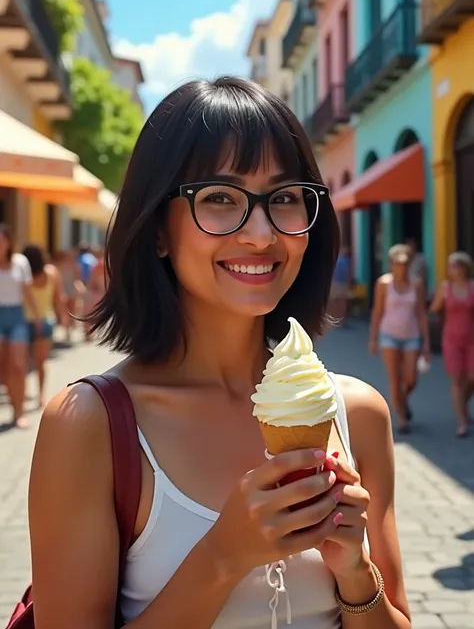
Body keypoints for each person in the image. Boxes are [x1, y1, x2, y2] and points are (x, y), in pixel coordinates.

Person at [29, 78, 410, 629]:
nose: (260, 234)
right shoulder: (91, 425)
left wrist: (355, 573)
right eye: (220, 199)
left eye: (283, 198)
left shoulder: (358, 413)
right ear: (158, 228)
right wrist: (223, 557)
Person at [369, 243, 430, 433]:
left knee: (411, 378)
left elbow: (421, 312)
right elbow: (377, 312)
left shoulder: (416, 284)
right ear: (391, 264)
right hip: (389, 335)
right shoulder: (384, 284)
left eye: (404, 263)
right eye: (397, 263)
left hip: (411, 334)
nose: (401, 267)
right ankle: (402, 417)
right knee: (395, 378)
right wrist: (373, 338)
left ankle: (402, 400)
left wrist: (426, 342)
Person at [0, 224, 41, 428]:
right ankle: (12, 400)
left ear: (8, 241)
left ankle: (20, 411)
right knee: (3, 367)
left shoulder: (20, 262)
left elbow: (27, 291)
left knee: (18, 365)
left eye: (2, 239)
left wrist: (37, 315)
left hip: (16, 315)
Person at [430, 252, 474, 437]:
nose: (450, 270)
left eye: (454, 266)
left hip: (471, 338)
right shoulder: (445, 287)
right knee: (456, 379)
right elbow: (434, 307)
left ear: (464, 268)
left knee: (472, 377)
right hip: (452, 338)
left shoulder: (472, 286)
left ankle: (463, 404)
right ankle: (462, 421)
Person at [23, 245, 67, 408]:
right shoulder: (52, 272)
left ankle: (24, 393)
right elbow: (59, 297)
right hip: (47, 320)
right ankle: (41, 395)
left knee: (22, 362)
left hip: (24, 320)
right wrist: (63, 317)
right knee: (41, 362)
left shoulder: (23, 275)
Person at [54, 249, 85, 342]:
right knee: (65, 309)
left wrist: (79, 287)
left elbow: (78, 277)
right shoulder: (59, 265)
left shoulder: (74, 265)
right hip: (63, 288)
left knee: (71, 309)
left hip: (71, 287)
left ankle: (69, 329)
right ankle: (67, 329)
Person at [330, 246, 351, 323]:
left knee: (335, 301)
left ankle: (335, 318)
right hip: (343, 283)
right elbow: (347, 273)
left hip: (336, 283)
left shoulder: (337, 260)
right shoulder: (346, 261)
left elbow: (333, 272)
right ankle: (342, 320)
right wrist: (349, 283)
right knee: (343, 303)